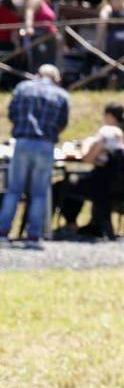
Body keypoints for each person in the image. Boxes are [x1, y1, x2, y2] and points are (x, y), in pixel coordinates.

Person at [0, 64, 69, 249]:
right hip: (46, 144)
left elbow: (12, 113)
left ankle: (3, 232)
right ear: (56, 79)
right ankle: (33, 236)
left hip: (22, 142)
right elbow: (62, 123)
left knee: (14, 190)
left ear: (38, 75)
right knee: (39, 193)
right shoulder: (61, 95)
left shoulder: (23, 88)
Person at [54, 102, 124, 238]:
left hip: (101, 186)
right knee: (75, 182)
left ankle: (67, 224)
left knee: (62, 186)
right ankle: (76, 224)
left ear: (108, 116)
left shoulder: (107, 132)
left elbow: (87, 159)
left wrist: (86, 146)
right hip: (120, 185)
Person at [21, 0, 63, 72]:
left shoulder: (47, 3)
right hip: (38, 37)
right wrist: (29, 27)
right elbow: (29, 12)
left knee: (47, 63)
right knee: (39, 64)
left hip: (48, 39)